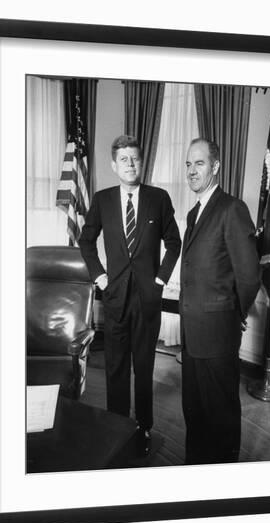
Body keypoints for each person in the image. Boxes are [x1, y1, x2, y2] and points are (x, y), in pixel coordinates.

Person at [79, 135, 181, 455]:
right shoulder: (102, 199)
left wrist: (161, 279)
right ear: (114, 165)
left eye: (135, 158)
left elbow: (174, 242)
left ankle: (145, 428)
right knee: (116, 368)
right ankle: (117, 425)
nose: (131, 164)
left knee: (145, 366)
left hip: (147, 301)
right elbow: (86, 241)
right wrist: (100, 277)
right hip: (115, 298)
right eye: (124, 160)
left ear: (142, 162)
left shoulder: (159, 198)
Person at [180, 137, 261, 465]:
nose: (191, 171)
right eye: (188, 164)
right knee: (194, 411)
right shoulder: (193, 214)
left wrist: (234, 315)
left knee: (221, 415)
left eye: (199, 163)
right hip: (191, 334)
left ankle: (225, 481)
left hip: (218, 334)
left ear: (215, 166)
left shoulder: (232, 208)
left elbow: (249, 275)